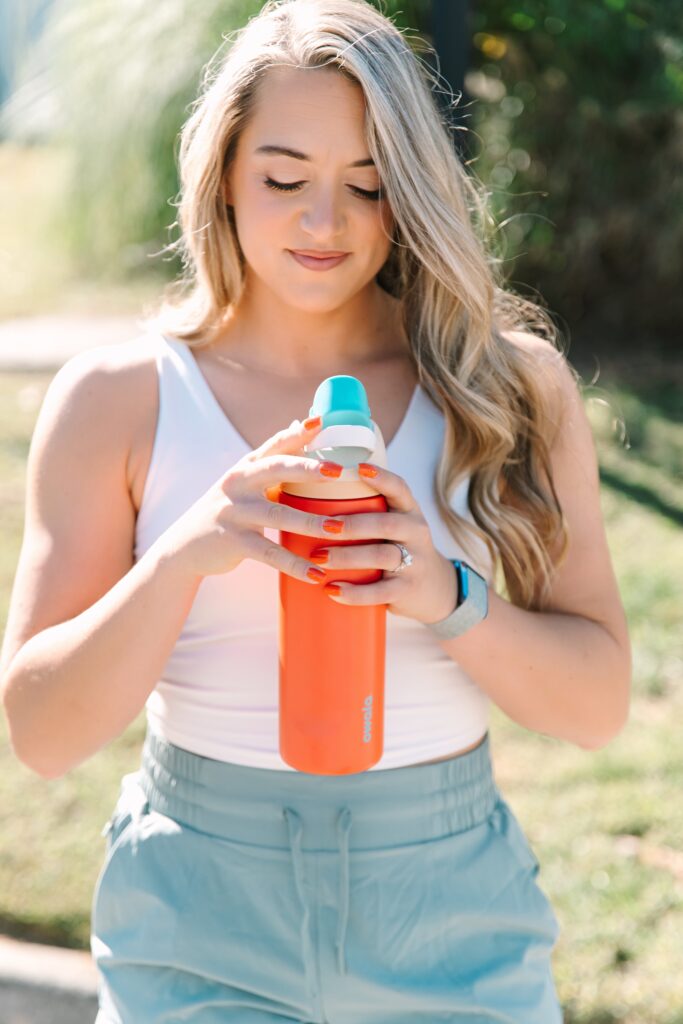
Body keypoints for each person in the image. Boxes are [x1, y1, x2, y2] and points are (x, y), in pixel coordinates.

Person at [0, 1, 631, 1021]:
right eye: (284, 179)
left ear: (410, 192)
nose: (322, 223)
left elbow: (597, 704)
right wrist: (182, 556)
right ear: (223, 175)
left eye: (367, 186)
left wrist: (444, 593)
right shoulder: (118, 398)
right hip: (198, 918)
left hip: (447, 917)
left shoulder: (504, 387)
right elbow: (39, 734)